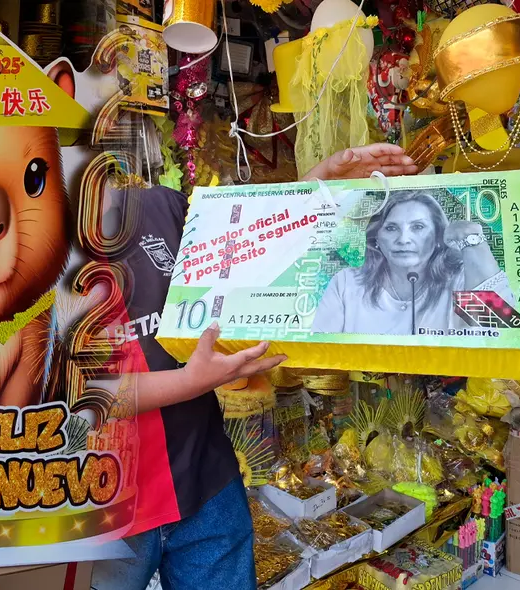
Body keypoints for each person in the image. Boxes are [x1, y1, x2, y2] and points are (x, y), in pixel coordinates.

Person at [95, 143, 417, 590]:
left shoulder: (159, 206)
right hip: (100, 504)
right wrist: (189, 381)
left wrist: (318, 190)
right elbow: (61, 394)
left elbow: (244, 253)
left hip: (204, 477)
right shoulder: (26, 249)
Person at [312, 190, 512, 335]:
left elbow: (500, 332)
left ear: (438, 237)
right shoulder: (347, 282)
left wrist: (472, 240)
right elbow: (321, 348)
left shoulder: (461, 280)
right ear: (376, 238)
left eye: (418, 227)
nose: (403, 239)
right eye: (391, 228)